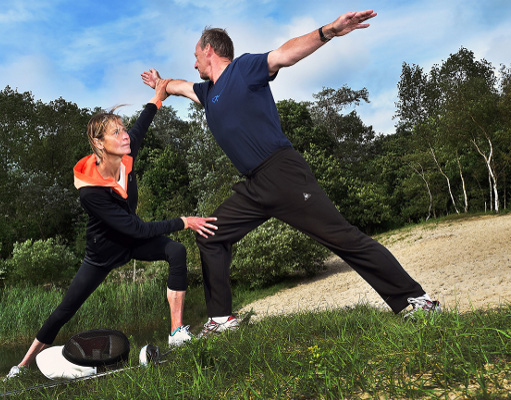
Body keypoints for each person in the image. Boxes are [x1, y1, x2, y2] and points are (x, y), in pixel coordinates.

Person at [141, 9, 439, 337]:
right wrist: (160, 85)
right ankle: (222, 321)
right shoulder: (208, 93)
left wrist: (330, 31)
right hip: (255, 186)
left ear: (209, 49)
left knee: (343, 238)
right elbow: (179, 87)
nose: (194, 61)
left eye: (196, 54)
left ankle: (416, 299)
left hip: (283, 172)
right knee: (210, 233)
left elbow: (284, 54)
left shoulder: (244, 69)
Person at [4, 79, 218, 380]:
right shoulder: (91, 191)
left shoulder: (125, 156)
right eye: (116, 132)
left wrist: (157, 97)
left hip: (131, 243)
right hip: (103, 254)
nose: (124, 134)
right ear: (100, 143)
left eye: (122, 128)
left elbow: (141, 126)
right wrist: (183, 221)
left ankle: (177, 332)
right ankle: (23, 366)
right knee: (66, 309)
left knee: (176, 251)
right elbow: (135, 227)